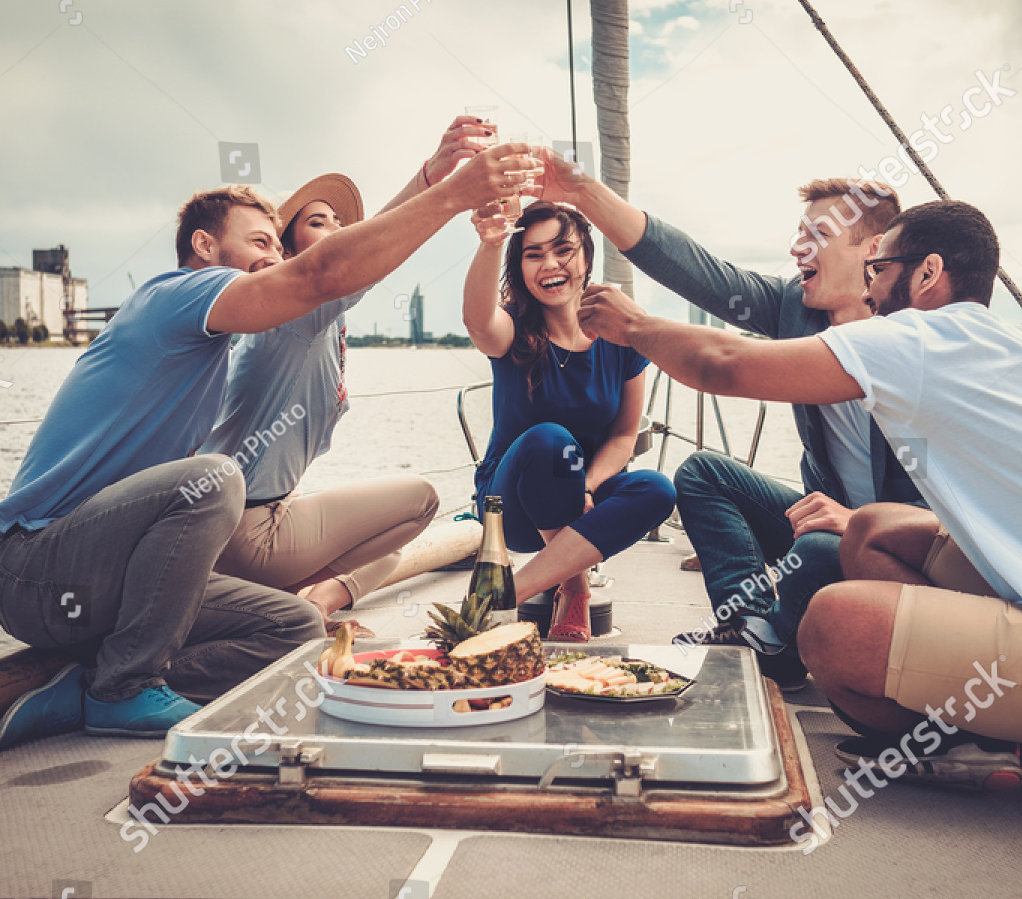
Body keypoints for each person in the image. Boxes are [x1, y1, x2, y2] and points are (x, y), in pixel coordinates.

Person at [576, 198, 1022, 784]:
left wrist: (632, 327)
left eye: (879, 268)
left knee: (833, 624)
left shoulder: (917, 338)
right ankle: (974, 719)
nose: (872, 288)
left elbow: (724, 366)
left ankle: (972, 742)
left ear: (928, 273)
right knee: (872, 528)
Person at [0, 142, 530, 747]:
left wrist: (432, 177)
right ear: (205, 247)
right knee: (216, 479)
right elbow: (323, 273)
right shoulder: (177, 295)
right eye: (262, 242)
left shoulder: (211, 343)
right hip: (33, 572)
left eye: (279, 243)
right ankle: (122, 691)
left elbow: (335, 271)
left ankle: (94, 684)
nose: (276, 256)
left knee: (294, 627)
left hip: (108, 581)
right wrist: (450, 192)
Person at [536, 159, 921, 688]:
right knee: (701, 473)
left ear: (872, 250)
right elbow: (701, 274)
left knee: (815, 549)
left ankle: (775, 645)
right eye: (799, 233)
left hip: (896, 544)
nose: (797, 248)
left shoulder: (916, 340)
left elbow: (952, 510)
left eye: (819, 235)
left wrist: (857, 521)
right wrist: (583, 194)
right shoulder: (797, 309)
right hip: (820, 523)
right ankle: (749, 626)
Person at [203, 120, 492, 624]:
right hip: (247, 533)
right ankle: (298, 603)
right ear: (286, 252)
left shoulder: (316, 326)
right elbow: (364, 260)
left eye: (339, 223)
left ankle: (309, 601)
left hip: (234, 530)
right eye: (319, 221)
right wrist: (433, 182)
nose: (336, 232)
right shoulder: (293, 314)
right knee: (421, 500)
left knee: (388, 543)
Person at [462, 199, 676, 641]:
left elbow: (622, 436)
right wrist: (490, 242)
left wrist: (586, 487)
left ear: (587, 257)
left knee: (657, 489)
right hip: (511, 507)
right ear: (518, 267)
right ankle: (574, 584)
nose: (550, 264)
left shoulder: (621, 333)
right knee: (551, 441)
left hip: (583, 497)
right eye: (533, 254)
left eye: (563, 250)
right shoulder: (512, 325)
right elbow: (477, 320)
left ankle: (506, 593)